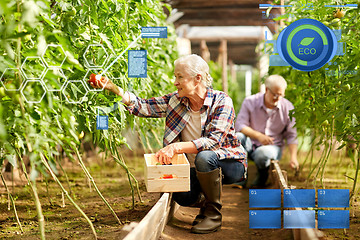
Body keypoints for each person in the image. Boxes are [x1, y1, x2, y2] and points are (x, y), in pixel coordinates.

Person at [89, 54, 247, 234]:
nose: (175, 82)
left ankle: (213, 215)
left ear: (198, 79)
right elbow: (143, 106)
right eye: (175, 76)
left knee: (205, 157)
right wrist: (113, 88)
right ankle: (205, 200)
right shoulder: (175, 101)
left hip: (229, 163)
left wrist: (176, 147)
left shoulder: (221, 101)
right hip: (196, 168)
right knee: (181, 194)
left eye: (180, 77)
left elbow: (213, 142)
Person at [234, 74, 298, 188]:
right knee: (238, 137)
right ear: (266, 89)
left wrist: (293, 157)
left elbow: (292, 135)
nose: (277, 98)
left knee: (262, 153)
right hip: (251, 144)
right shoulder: (250, 101)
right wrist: (258, 136)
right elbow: (240, 125)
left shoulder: (288, 107)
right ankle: (240, 176)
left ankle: (263, 176)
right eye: (274, 94)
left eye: (281, 95)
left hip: (272, 147)